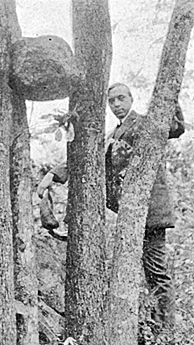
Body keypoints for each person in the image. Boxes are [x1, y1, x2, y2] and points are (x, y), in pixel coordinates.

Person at [37, 83, 185, 325]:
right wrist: (53, 174)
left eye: (120, 99)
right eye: (112, 101)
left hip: (151, 213)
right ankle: (154, 325)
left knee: (156, 272)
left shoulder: (143, 124)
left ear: (131, 99)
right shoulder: (114, 133)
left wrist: (170, 95)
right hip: (132, 212)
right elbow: (89, 155)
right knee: (138, 270)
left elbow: (175, 127)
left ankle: (166, 329)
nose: (117, 105)